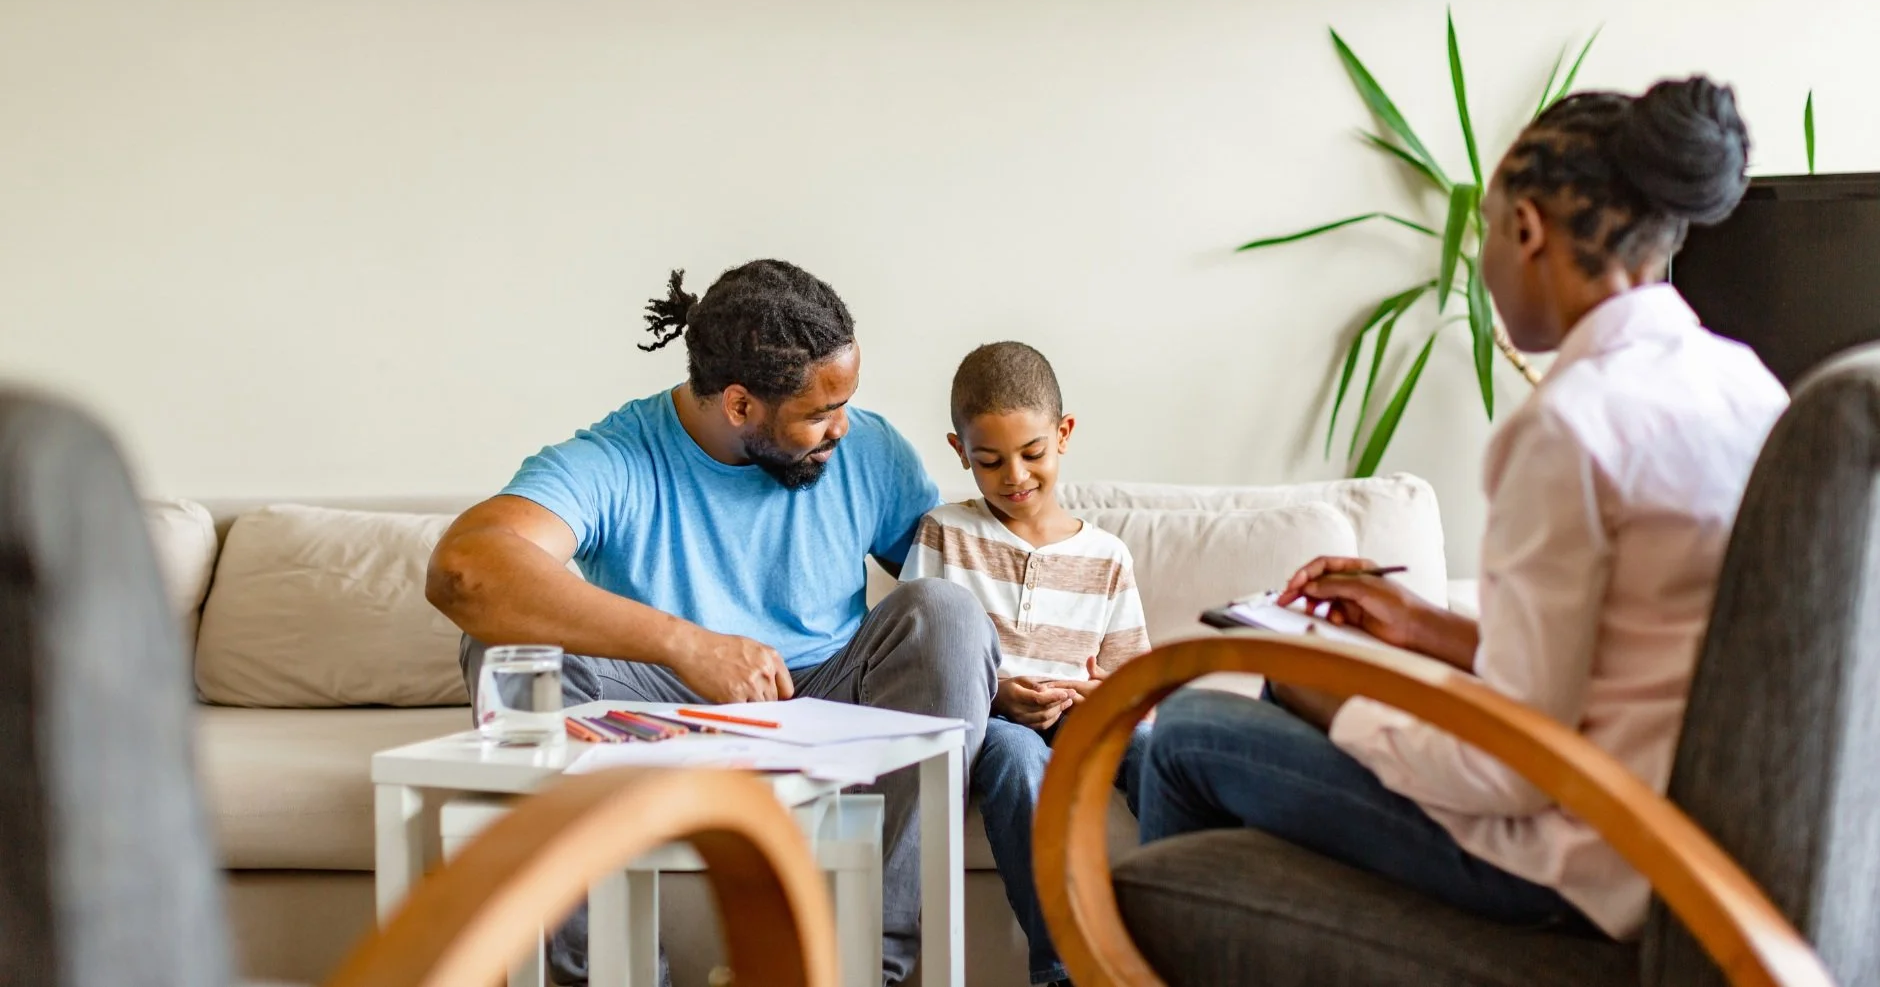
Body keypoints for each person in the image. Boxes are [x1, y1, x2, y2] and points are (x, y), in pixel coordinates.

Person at [1136, 76, 1788, 947]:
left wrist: (1333, 699)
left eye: (1485, 228)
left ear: (1527, 231)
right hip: (1687, 847)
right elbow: (1619, 664)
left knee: (1184, 732)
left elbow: (1511, 769)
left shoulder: (1570, 425)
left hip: (1580, 861)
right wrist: (1422, 627)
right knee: (1190, 739)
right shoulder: (1745, 382)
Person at [427, 259, 999, 986]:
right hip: (657, 712)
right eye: (819, 412)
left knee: (948, 612)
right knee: (507, 644)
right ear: (738, 405)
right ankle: (613, 977)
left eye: (846, 400)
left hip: (826, 694)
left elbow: (963, 581)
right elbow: (464, 568)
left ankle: (861, 970)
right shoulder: (617, 456)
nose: (841, 426)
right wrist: (684, 642)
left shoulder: (870, 450)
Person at [902, 341, 1151, 987]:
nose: (1014, 475)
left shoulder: (1108, 556)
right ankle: (1065, 969)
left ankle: (1188, 929)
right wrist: (999, 693)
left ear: (1063, 434)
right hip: (993, 720)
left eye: (1032, 453)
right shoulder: (944, 533)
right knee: (1018, 758)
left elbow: (1134, 682)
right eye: (989, 460)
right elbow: (917, 659)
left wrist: (1103, 695)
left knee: (1158, 746)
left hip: (1079, 715)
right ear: (960, 452)